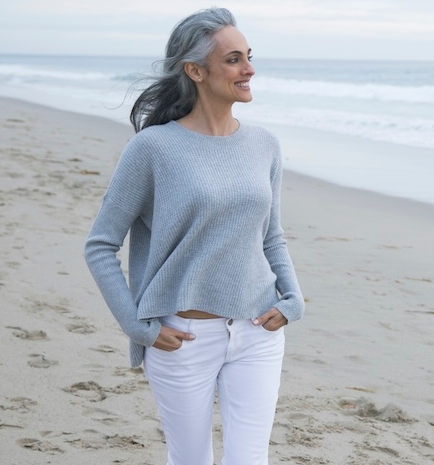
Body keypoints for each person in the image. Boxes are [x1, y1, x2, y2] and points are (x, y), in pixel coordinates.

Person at [84, 7, 303, 465]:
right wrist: (136, 326)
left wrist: (292, 299)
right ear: (195, 71)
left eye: (249, 56)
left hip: (258, 330)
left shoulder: (264, 145)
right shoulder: (153, 148)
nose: (250, 69)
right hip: (181, 337)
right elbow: (101, 245)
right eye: (234, 59)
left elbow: (271, 236)